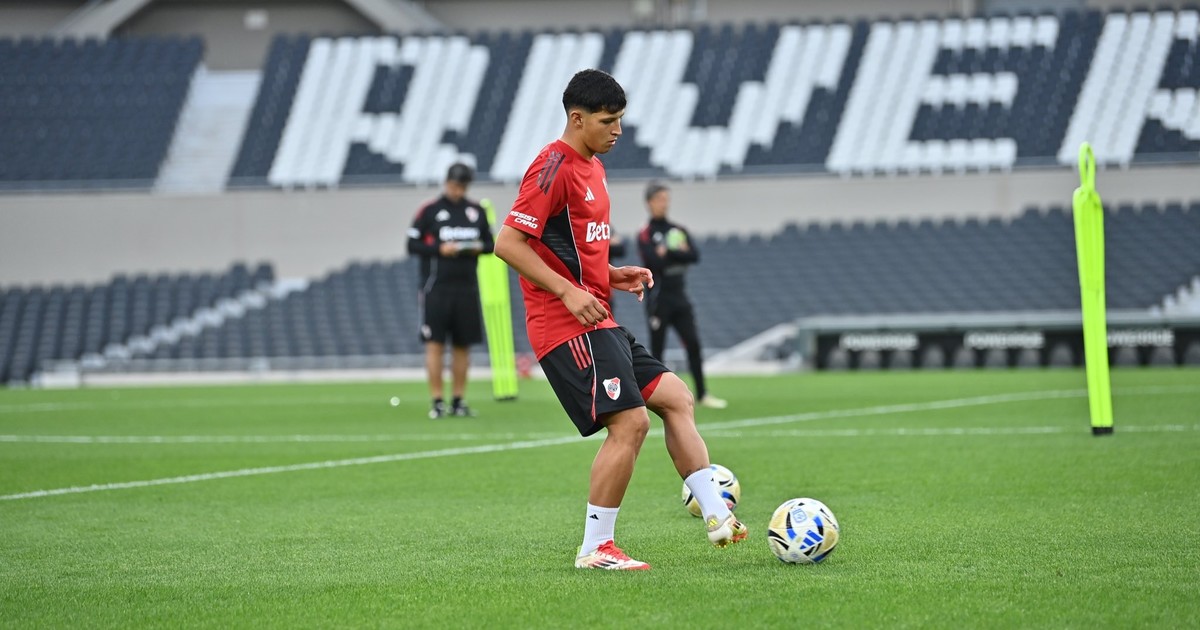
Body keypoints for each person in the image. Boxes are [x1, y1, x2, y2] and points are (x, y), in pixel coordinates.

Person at [493, 68, 746, 571]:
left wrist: (611, 274)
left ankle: (718, 516)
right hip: (565, 324)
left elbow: (569, 248)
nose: (618, 130)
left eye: (620, 120)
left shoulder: (594, 167)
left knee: (676, 398)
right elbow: (508, 243)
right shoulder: (551, 166)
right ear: (577, 119)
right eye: (608, 121)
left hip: (598, 316)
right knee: (630, 423)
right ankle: (595, 548)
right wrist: (568, 291)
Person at [407, 162, 494, 419]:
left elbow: (490, 244)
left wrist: (475, 247)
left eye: (463, 186)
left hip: (467, 288)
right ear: (447, 182)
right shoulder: (430, 210)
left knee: (462, 345)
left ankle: (458, 400)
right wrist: (439, 249)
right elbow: (412, 244)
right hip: (436, 288)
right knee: (435, 344)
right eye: (455, 185)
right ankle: (437, 400)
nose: (458, 190)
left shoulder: (476, 211)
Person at [638, 181, 728, 409]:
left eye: (666, 199)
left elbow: (694, 255)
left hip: (680, 297)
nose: (664, 204)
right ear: (649, 203)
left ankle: (703, 394)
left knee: (694, 344)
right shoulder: (646, 234)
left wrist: (668, 251)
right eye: (660, 199)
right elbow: (653, 262)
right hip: (658, 300)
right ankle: (656, 397)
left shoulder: (677, 230)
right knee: (657, 351)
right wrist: (677, 252)